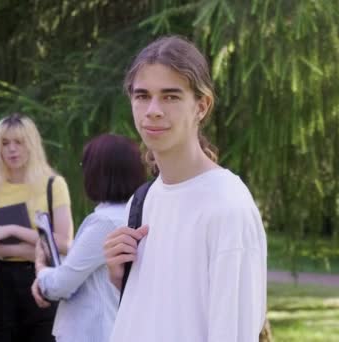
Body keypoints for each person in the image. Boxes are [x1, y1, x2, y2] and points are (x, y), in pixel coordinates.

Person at [104, 35, 267, 341]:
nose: (153, 110)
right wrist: (119, 277)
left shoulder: (227, 206)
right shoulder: (142, 201)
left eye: (170, 96)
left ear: (201, 106)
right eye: (142, 96)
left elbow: (233, 330)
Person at [0, 113, 75, 342]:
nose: (11, 149)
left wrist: (13, 230)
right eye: (5, 143)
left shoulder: (54, 185)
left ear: (31, 144)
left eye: (19, 142)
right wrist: (25, 249)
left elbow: (64, 243)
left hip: (42, 280)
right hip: (2, 283)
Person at [30, 134, 146, 342]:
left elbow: (61, 285)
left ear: (98, 173)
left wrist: (41, 269)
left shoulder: (104, 222)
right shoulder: (136, 214)